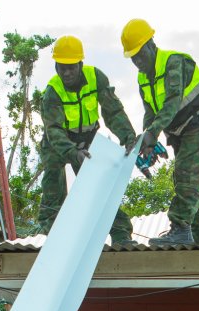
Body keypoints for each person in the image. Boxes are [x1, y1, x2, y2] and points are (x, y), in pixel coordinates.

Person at [121, 18, 199, 247]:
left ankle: (180, 228)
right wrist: (147, 139)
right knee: (191, 177)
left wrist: (153, 133)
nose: (138, 61)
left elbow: (172, 101)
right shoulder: (143, 78)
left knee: (188, 172)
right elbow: (150, 111)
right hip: (180, 130)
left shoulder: (174, 62)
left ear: (151, 44)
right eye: (133, 57)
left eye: (140, 54)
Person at [37, 35, 139, 245]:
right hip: (58, 143)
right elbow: (53, 130)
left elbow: (113, 111)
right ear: (56, 66)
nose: (66, 73)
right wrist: (73, 153)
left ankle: (120, 234)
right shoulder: (52, 92)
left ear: (80, 64)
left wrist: (128, 136)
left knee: (99, 187)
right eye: (62, 67)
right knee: (53, 182)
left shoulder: (96, 78)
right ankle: (53, 234)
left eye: (71, 67)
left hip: (88, 140)